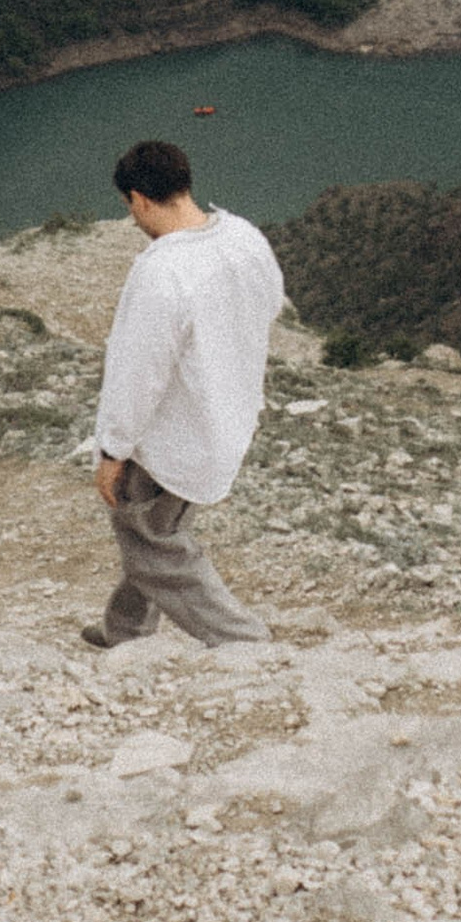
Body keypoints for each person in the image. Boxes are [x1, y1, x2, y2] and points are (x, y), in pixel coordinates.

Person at [85, 137, 284, 650]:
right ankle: (124, 631)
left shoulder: (161, 270)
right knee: (156, 529)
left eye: (130, 208)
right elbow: (271, 305)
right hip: (227, 416)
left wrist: (113, 450)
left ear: (140, 200)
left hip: (172, 434)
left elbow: (138, 372)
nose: (132, 218)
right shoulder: (242, 236)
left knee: (154, 549)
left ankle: (246, 644)